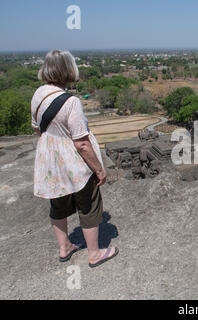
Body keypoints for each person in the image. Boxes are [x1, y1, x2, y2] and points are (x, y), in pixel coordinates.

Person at [31, 50, 118, 268]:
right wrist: (99, 169)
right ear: (69, 69)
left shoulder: (38, 94)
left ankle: (64, 247)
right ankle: (95, 254)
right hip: (74, 162)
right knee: (89, 205)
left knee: (58, 203)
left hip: (51, 161)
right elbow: (81, 143)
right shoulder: (71, 102)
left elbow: (37, 130)